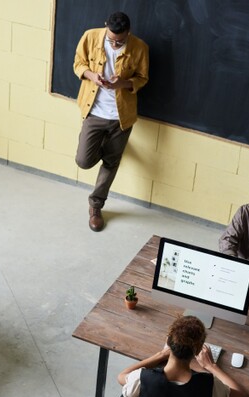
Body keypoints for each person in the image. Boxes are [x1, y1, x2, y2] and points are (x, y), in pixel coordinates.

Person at [73, 11, 149, 232]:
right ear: (106, 27)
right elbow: (78, 63)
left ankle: (96, 206)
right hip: (94, 111)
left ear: (128, 32)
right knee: (83, 161)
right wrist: (91, 75)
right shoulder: (90, 37)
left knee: (111, 162)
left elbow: (142, 78)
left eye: (121, 41)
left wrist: (122, 83)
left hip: (121, 117)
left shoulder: (140, 47)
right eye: (112, 40)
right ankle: (106, 148)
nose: (115, 44)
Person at [118, 316, 247, 397]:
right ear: (197, 351)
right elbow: (241, 396)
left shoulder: (143, 379)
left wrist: (160, 355)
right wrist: (211, 366)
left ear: (168, 341)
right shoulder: (209, 386)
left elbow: (122, 376)